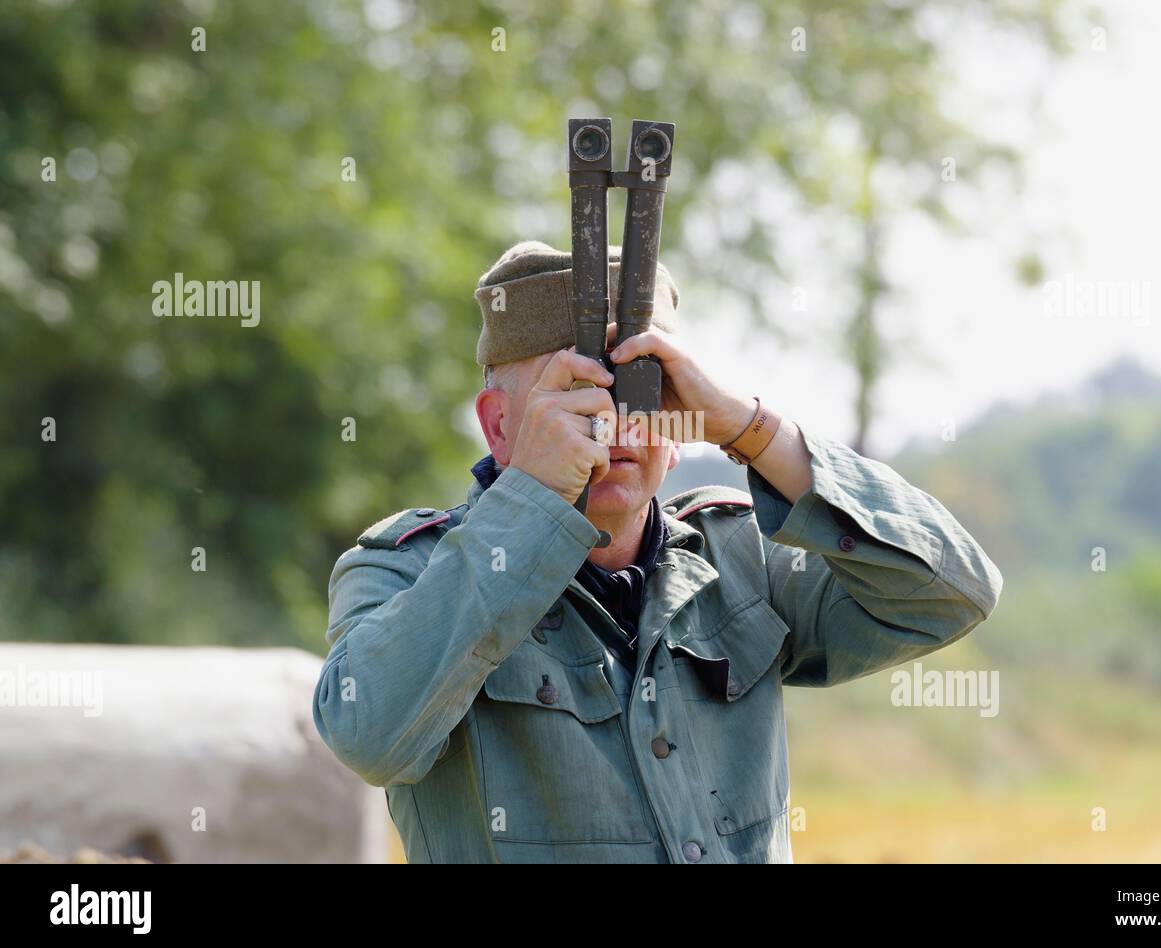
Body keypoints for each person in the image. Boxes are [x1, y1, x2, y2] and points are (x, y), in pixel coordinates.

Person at [312, 240, 1003, 863]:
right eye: (578, 396)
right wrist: (533, 495)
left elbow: (954, 592)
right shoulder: (408, 569)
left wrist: (747, 426)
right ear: (499, 425)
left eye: (644, 394)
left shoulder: (740, 559)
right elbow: (371, 734)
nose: (614, 426)